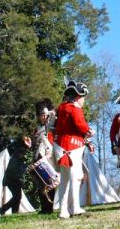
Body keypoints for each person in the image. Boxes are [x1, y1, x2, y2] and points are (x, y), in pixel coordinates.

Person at [53, 80, 94, 219]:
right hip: (72, 146)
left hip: (61, 146)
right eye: (83, 98)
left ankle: (64, 211)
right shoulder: (74, 108)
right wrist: (89, 131)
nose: (83, 101)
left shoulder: (62, 107)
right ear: (78, 97)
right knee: (75, 177)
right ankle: (75, 208)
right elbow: (80, 125)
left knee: (64, 180)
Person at [31, 98, 57, 213]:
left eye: (44, 114)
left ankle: (50, 208)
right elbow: (34, 144)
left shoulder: (53, 125)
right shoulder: (37, 129)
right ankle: (44, 208)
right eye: (41, 115)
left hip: (50, 157)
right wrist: (29, 144)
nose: (43, 117)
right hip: (39, 157)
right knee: (40, 184)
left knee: (51, 183)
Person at [0, 136, 32, 215]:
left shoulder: (19, 151)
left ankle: (14, 213)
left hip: (12, 178)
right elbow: (21, 164)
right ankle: (3, 209)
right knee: (17, 196)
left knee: (17, 196)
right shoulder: (21, 151)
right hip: (13, 178)